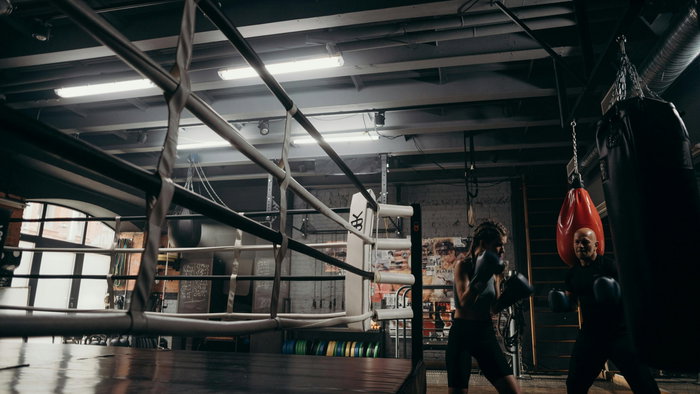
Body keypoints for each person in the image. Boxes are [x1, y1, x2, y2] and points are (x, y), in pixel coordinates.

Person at [549, 227, 660, 394]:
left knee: (644, 384)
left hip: (619, 335)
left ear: (596, 244)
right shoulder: (572, 274)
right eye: (577, 242)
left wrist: (617, 294)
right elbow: (573, 304)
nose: (580, 245)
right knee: (574, 384)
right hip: (591, 335)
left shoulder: (611, 267)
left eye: (585, 242)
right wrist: (562, 304)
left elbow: (633, 297)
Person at [446, 220, 530, 394]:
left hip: (484, 333)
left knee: (512, 391)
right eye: (499, 245)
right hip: (462, 333)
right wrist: (481, 276)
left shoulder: (495, 270)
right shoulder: (464, 265)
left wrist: (510, 296)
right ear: (483, 243)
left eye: (504, 245)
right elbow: (463, 302)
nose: (503, 250)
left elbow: (494, 308)